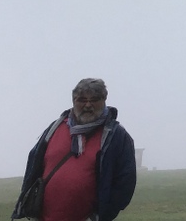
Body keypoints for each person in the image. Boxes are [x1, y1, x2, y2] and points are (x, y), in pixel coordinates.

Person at [12, 78, 137, 221]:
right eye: (82, 100)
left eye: (95, 100)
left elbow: (125, 183)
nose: (88, 105)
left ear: (104, 100)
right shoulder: (55, 127)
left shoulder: (116, 136)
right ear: (73, 101)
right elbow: (33, 167)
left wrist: (101, 216)